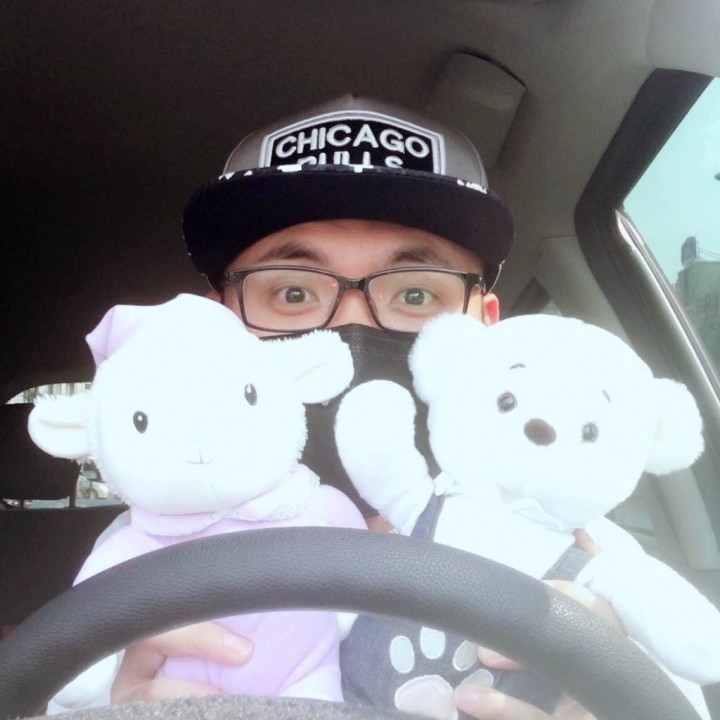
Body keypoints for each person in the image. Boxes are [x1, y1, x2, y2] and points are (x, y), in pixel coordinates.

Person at [102, 95, 667, 720]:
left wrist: (613, 691)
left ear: (483, 327)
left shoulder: (587, 566)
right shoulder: (146, 557)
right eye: (292, 292)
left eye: (416, 293)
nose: (349, 329)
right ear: (217, 325)